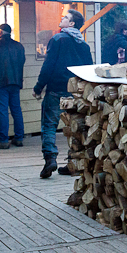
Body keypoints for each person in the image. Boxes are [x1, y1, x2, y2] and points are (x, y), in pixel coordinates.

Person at [33, 10, 93, 178]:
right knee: (74, 127)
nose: (62, 18)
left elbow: (48, 66)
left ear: (72, 24)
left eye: (65, 18)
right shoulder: (84, 45)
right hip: (76, 91)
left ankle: (50, 159)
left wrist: (38, 87)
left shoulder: (57, 40)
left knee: (49, 125)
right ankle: (72, 162)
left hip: (56, 88)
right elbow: (88, 68)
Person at [0, 24, 26, 149]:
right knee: (16, 110)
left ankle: (3, 140)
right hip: (15, 82)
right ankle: (18, 138)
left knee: (3, 111)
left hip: (0, 82)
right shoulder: (19, 46)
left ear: (1, 33)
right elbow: (22, 61)